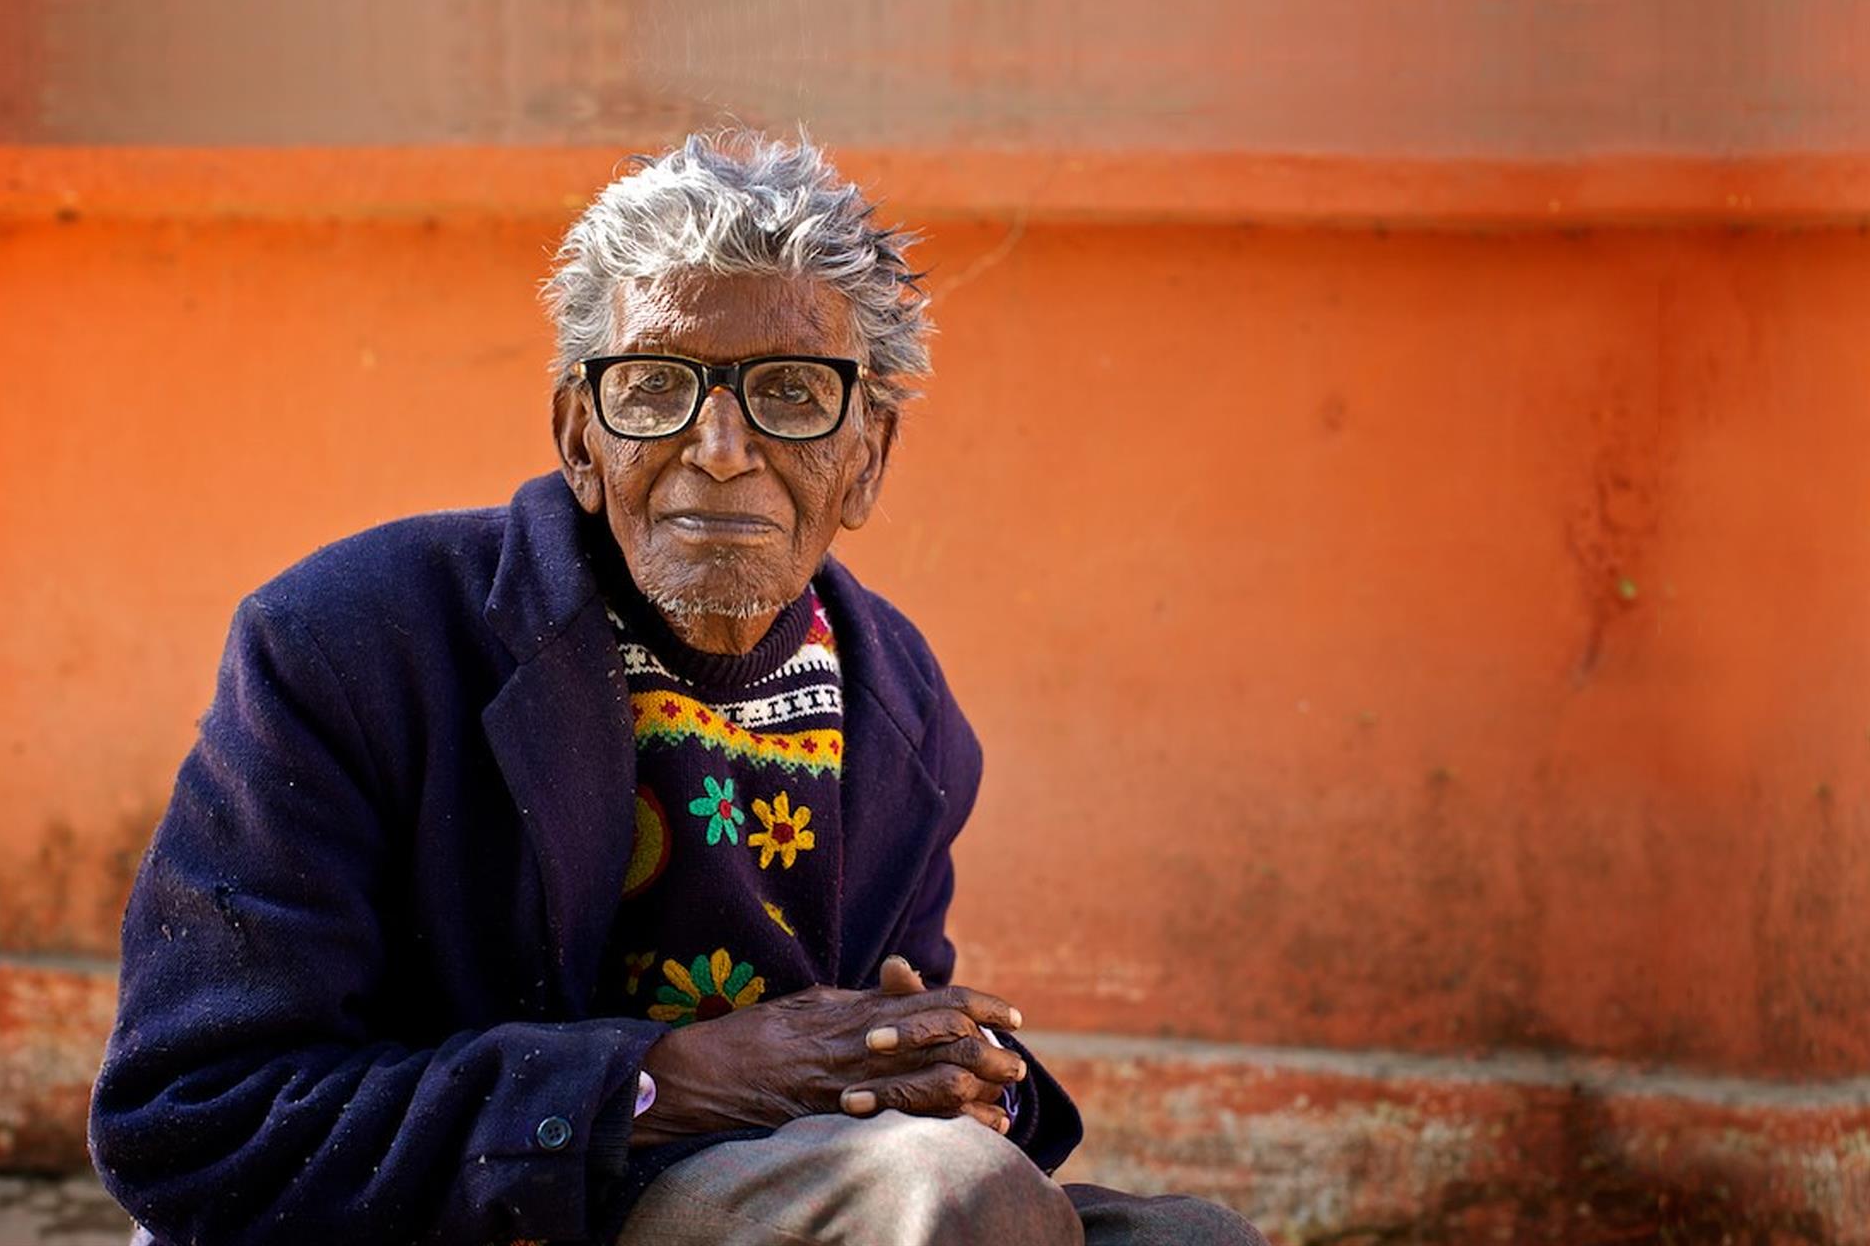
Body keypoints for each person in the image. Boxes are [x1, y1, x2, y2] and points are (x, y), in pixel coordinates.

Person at [88, 131, 1268, 1246]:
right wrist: (667, 1079)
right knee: (947, 1197)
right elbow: (192, 1118)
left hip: (762, 1191)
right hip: (475, 1210)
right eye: (656, 386)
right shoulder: (350, 640)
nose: (718, 446)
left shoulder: (900, 709)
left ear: (867, 459)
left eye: (791, 392)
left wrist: (947, 1071)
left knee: (1189, 1235)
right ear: (579, 438)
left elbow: (869, 1080)